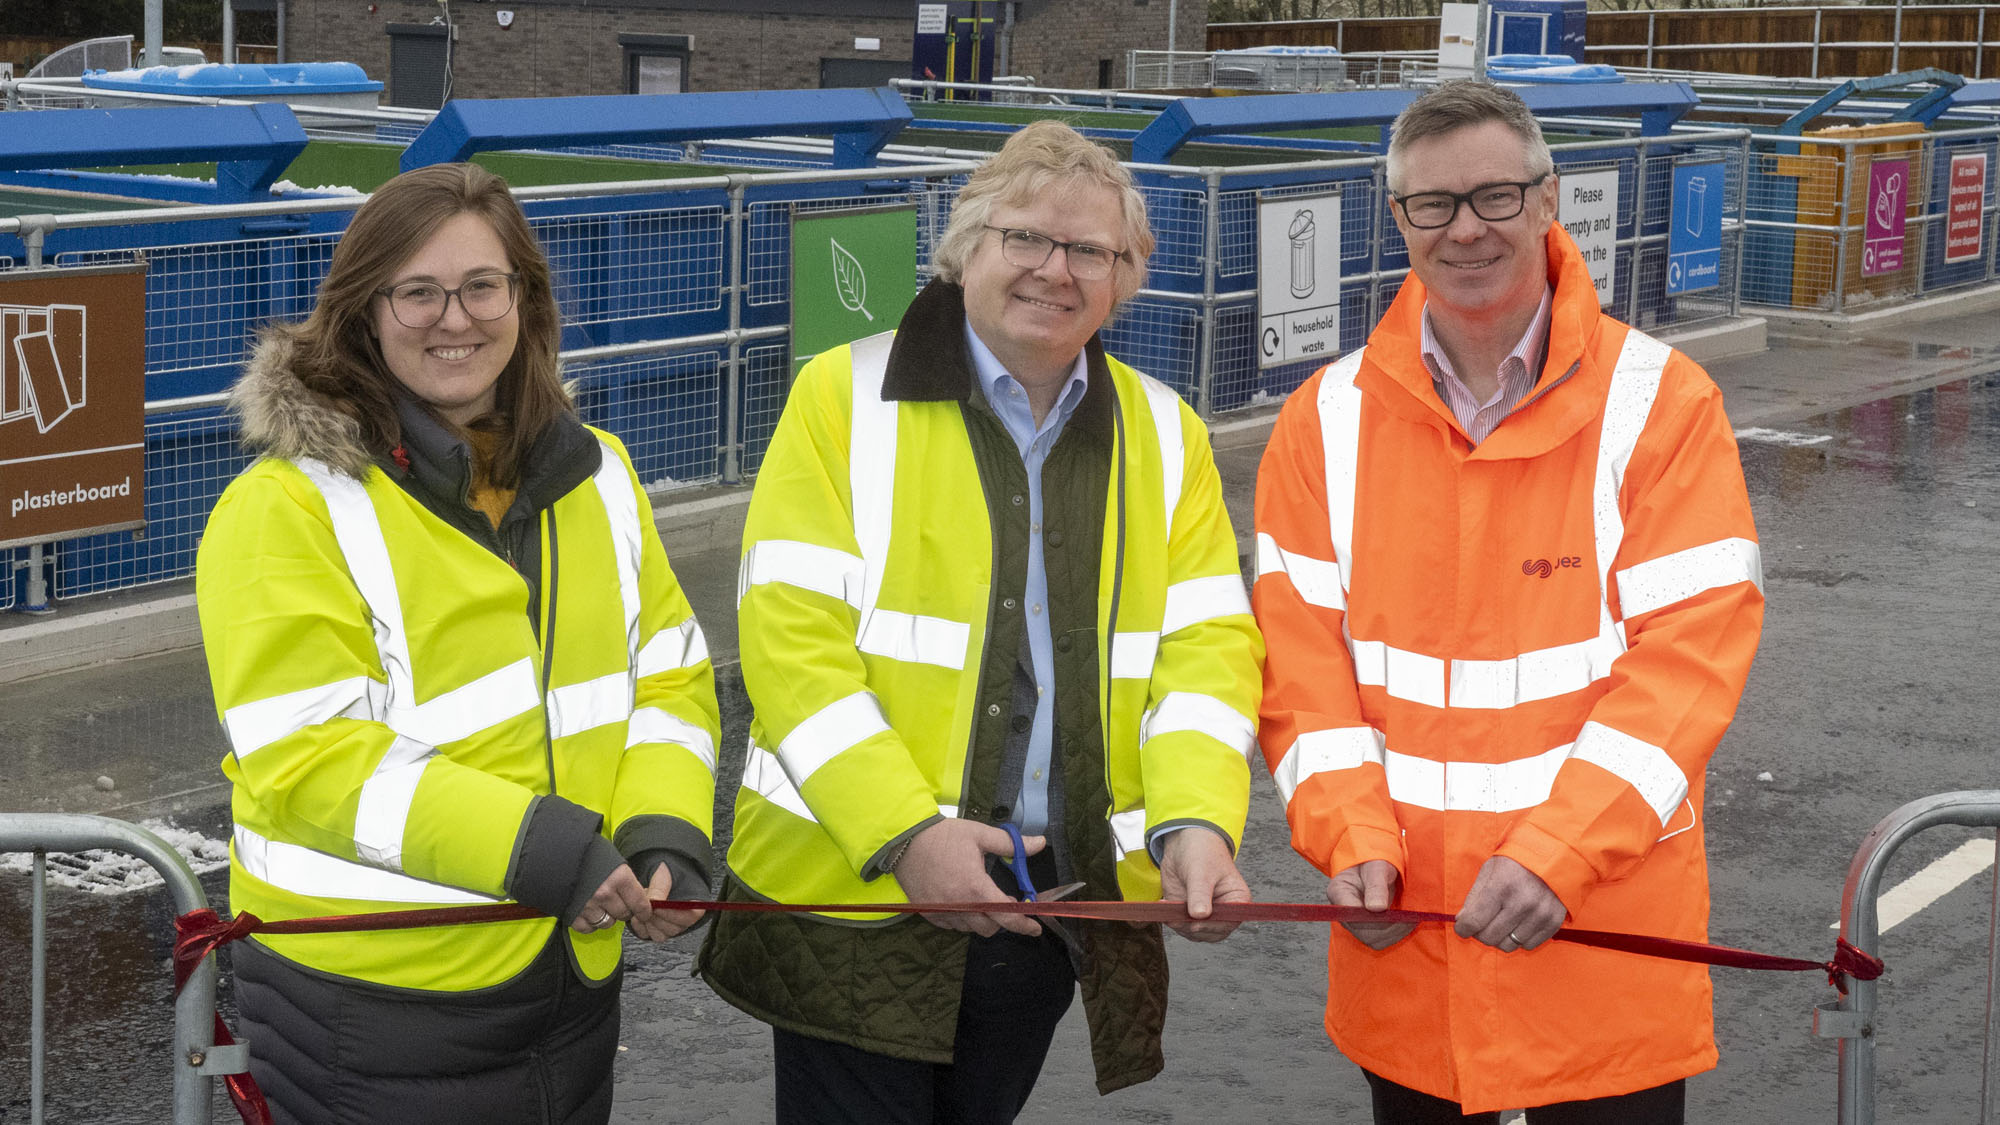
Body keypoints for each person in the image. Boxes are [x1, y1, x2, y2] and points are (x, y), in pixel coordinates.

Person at [697, 119, 1264, 1123]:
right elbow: (791, 646)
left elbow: (1205, 658)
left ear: (1126, 275)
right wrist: (906, 834)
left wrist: (1197, 824)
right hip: (855, 891)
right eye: (1025, 239)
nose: (1054, 269)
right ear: (964, 251)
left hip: (1045, 901)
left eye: (1089, 249)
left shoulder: (1165, 434)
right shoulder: (840, 396)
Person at [1253, 81, 1765, 1123]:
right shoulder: (1325, 418)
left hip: (1594, 952)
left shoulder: (1661, 403)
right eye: (1432, 205)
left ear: (1547, 200)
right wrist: (1351, 839)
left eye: (1494, 195)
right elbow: (1300, 663)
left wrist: (1557, 856)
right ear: (1395, 219)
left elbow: (1688, 662)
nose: (1466, 229)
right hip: (1409, 950)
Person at [195, 162, 721, 1123]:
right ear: (364, 311)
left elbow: (670, 677)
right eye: (419, 291)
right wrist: (548, 849)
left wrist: (663, 833)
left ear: (524, 297)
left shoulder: (598, 479)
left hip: (568, 982)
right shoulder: (284, 507)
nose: (456, 318)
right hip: (375, 1000)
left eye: (483, 286)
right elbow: (310, 755)